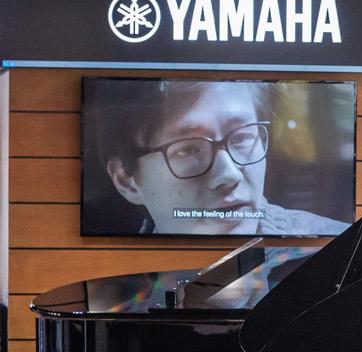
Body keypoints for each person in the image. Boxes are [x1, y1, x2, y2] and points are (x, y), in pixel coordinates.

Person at [91, 80, 347, 236]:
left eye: (242, 138)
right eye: (188, 149)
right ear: (127, 180)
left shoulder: (334, 248)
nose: (229, 174)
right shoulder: (115, 285)